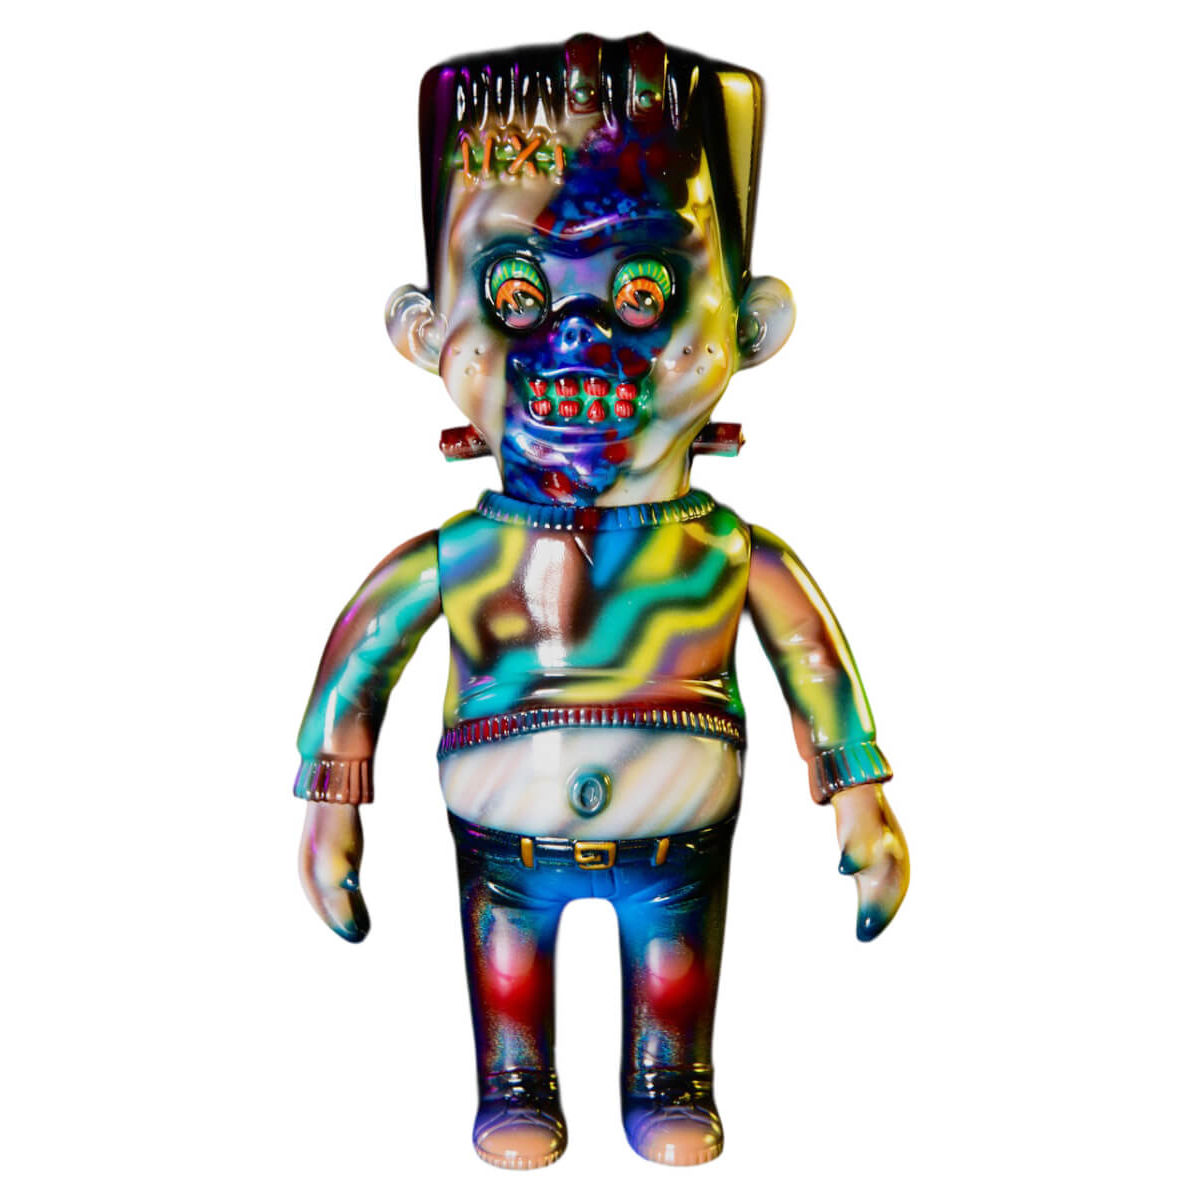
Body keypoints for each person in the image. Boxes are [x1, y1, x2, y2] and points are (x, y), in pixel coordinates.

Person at [294, 33, 909, 1169]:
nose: (574, 345)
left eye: (641, 293)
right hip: (503, 836)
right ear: (426, 333)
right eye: (517, 293)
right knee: (508, 971)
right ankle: (514, 1084)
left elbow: (812, 662)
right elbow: (364, 655)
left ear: (751, 328)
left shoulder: (725, 552)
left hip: (677, 837)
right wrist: (332, 799)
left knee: (673, 976)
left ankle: (670, 1080)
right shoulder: (465, 555)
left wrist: (857, 792)